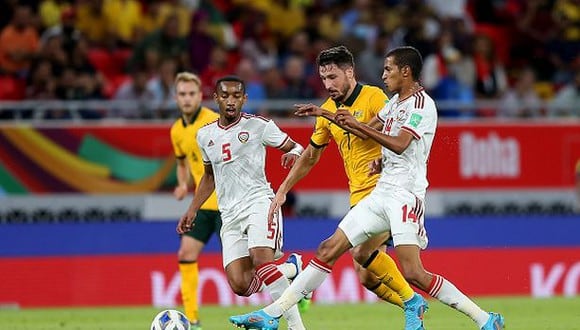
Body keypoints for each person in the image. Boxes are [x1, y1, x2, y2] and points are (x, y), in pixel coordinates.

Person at [230, 46, 505, 330]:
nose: (383, 75)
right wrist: (325, 114)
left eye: (388, 69)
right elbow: (363, 128)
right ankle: (270, 315)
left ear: (405, 71)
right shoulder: (394, 103)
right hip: (381, 192)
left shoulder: (421, 105)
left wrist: (366, 140)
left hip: (404, 197)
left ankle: (483, 318)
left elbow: (398, 143)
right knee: (330, 250)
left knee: (413, 272)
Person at [266, 45, 410, 312]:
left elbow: (389, 135)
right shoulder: (327, 110)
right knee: (366, 275)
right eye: (323, 78)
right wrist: (284, 188)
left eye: (333, 77)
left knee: (340, 250)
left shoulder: (374, 97)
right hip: (358, 197)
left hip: (384, 192)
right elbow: (310, 156)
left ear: (350, 72)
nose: (328, 84)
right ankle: (413, 307)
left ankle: (293, 294)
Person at [177, 76, 307, 330]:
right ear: (216, 98)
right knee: (240, 284)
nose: (231, 101)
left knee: (262, 259)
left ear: (244, 99)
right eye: (225, 95)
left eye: (237, 96)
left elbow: (297, 147)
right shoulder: (205, 136)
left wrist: (291, 155)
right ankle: (292, 269)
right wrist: (192, 208)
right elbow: (209, 176)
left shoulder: (260, 126)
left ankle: (296, 328)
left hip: (259, 202)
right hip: (229, 214)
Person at [169, 72, 221, 329]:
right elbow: (182, 164)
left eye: (191, 94)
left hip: (227, 203)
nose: (187, 99)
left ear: (200, 96)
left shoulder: (214, 121)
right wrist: (182, 184)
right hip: (201, 204)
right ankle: (192, 319)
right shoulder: (176, 130)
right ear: (176, 98)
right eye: (182, 94)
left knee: (247, 267)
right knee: (186, 253)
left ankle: (293, 283)